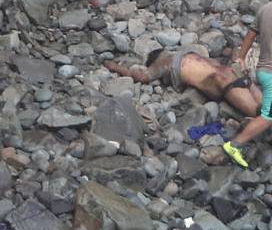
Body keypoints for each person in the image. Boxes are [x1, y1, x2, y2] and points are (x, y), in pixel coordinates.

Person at [109, 47, 272, 168]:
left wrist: (117, 67)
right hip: (230, 77)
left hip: (225, 81)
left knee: (264, 112)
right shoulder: (186, 53)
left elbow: (143, 77)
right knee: (264, 110)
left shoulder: (164, 62)